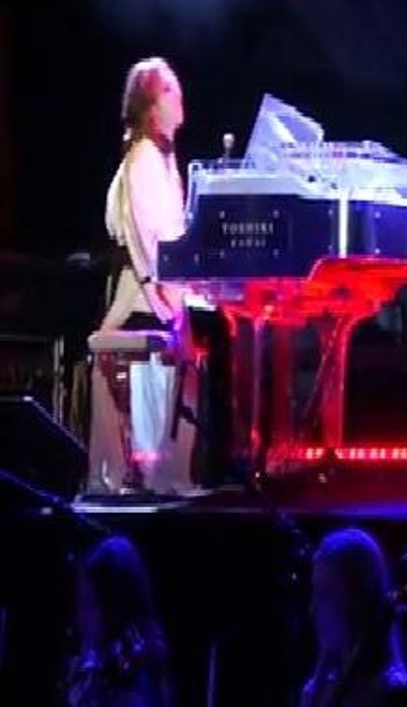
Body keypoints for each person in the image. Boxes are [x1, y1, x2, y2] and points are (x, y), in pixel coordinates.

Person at [86, 57, 197, 496]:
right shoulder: (146, 158)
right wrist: (170, 302)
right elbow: (148, 240)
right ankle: (156, 477)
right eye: (169, 89)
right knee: (170, 371)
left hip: (152, 290)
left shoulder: (160, 156)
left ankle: (164, 475)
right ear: (151, 106)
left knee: (185, 369)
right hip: (142, 296)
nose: (179, 94)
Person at [302, 528, 407, 707]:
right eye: (315, 592)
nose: (312, 610)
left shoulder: (392, 695)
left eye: (325, 594)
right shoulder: (318, 691)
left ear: (358, 600)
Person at [64, 536, 173, 707]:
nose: (80, 615)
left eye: (87, 603)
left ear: (112, 609)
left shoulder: (135, 673)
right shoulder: (93, 662)